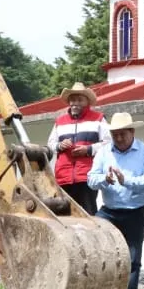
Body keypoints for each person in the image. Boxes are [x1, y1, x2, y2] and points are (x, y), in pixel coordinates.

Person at [86, 112, 144, 289]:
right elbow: (91, 178)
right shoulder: (104, 151)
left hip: (136, 210)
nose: (118, 138)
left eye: (122, 134)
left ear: (132, 132)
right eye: (115, 134)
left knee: (133, 258)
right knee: (98, 249)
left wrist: (126, 181)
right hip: (109, 209)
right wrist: (104, 180)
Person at [46, 82, 110, 215]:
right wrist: (60, 145)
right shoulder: (59, 121)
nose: (76, 103)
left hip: (87, 176)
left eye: (80, 99)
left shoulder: (98, 118)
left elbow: (109, 143)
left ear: (87, 102)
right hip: (63, 176)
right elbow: (51, 144)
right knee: (66, 215)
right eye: (73, 99)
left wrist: (88, 149)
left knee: (88, 213)